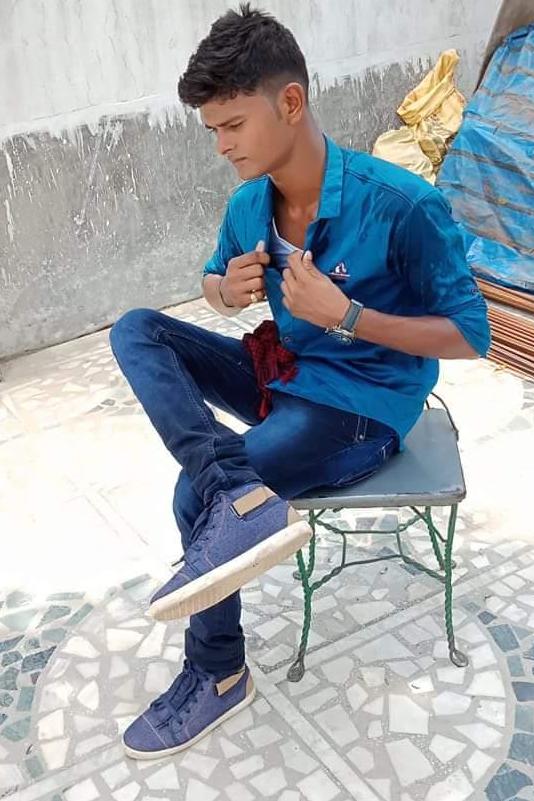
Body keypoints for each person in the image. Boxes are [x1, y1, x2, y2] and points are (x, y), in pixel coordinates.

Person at [109, 3, 490, 760]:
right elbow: (214, 281)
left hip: (361, 404)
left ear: (290, 102)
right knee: (137, 329)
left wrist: (348, 316)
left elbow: (470, 335)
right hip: (284, 372)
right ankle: (236, 488)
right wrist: (226, 291)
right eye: (212, 130)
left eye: (232, 124)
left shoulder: (401, 205)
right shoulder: (249, 203)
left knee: (191, 496)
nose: (222, 145)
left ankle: (218, 673)